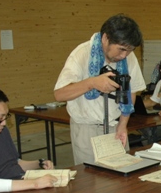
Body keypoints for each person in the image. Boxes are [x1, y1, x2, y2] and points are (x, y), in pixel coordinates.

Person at [54, 14, 146, 165]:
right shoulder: (81, 54)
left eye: (129, 51)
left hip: (116, 127)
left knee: (122, 179)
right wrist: (92, 83)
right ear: (105, 38)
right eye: (121, 49)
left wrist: (123, 124)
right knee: (90, 181)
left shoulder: (128, 57)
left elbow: (132, 91)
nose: (124, 55)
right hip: (87, 128)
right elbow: (59, 94)